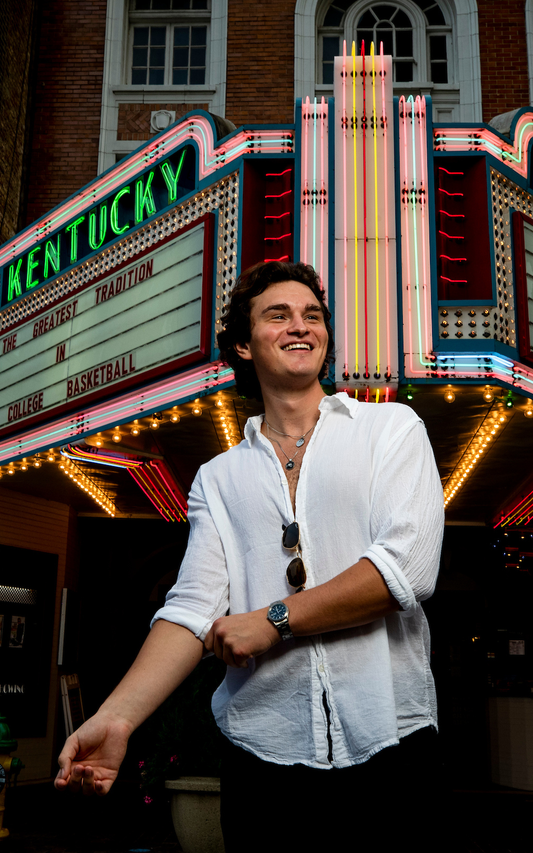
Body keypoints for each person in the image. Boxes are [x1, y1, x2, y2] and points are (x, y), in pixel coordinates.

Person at [55, 261, 444, 849]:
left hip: (392, 749)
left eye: (312, 316)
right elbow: (192, 609)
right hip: (261, 760)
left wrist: (273, 620)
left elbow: (407, 570)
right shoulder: (217, 478)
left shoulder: (390, 429)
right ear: (243, 343)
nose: (301, 326)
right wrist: (117, 718)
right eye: (278, 315)